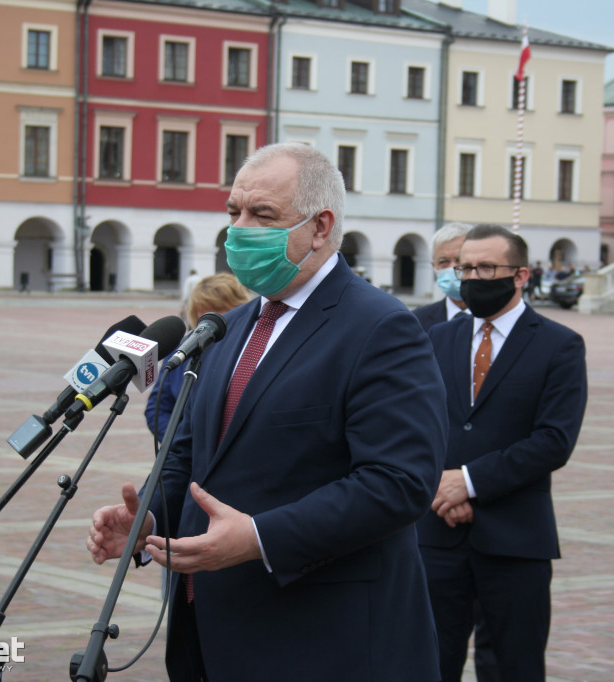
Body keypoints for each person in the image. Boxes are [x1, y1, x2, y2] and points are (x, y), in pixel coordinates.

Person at [87, 142, 447, 682]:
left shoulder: (382, 328)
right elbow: (191, 457)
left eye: (262, 215)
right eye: (234, 211)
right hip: (209, 631)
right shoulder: (227, 328)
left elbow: (398, 482)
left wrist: (260, 537)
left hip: (322, 639)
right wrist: (149, 519)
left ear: (321, 227)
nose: (239, 229)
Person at [417, 223, 588, 682]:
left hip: (515, 538)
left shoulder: (560, 345)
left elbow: (554, 439)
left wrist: (469, 483)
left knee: (514, 665)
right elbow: (418, 426)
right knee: (431, 661)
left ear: (520, 275)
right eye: (464, 266)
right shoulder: (437, 339)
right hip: (437, 534)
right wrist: (442, 488)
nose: (471, 276)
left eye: (485, 267)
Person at [413, 223, 500, 682]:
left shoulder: (522, 331)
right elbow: (407, 419)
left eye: (461, 263)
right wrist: (442, 484)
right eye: (444, 263)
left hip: (501, 510)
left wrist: (468, 482)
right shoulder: (412, 324)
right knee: (434, 644)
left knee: (501, 648)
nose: (454, 272)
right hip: (430, 510)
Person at [146, 272, 251, 442]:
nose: (206, 319)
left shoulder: (251, 351)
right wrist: (178, 445)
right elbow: (157, 409)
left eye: (217, 310)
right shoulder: (183, 350)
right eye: (200, 312)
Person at [413, 223, 472, 331]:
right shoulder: (417, 320)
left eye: (459, 260)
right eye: (444, 261)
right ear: (434, 266)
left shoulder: (494, 317)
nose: (453, 267)